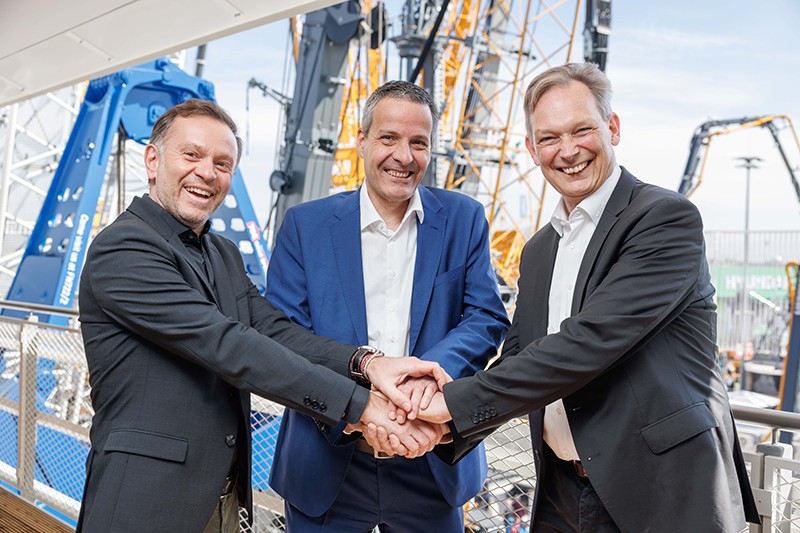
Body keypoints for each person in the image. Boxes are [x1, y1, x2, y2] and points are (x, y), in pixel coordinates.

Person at [415, 63, 760, 532]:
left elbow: (589, 343)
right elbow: (520, 352)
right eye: (550, 138)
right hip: (562, 491)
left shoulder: (664, 218)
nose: (568, 150)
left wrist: (450, 403)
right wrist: (443, 427)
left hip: (661, 491)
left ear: (612, 128)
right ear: (532, 150)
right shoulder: (539, 249)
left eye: (582, 130)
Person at [76, 99, 447, 533]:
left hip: (221, 497)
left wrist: (369, 364)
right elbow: (228, 345)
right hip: (144, 501)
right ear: (153, 160)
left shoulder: (221, 253)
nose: (207, 173)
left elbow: (274, 332)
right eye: (192, 155)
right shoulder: (124, 247)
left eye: (223, 163)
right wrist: (361, 406)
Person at [266, 80, 509, 532]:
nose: (404, 156)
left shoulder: (464, 218)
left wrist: (425, 376)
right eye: (389, 138)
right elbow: (282, 335)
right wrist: (360, 406)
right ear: (361, 141)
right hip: (328, 458)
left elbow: (486, 315)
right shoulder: (305, 225)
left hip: (431, 459)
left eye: (419, 142)